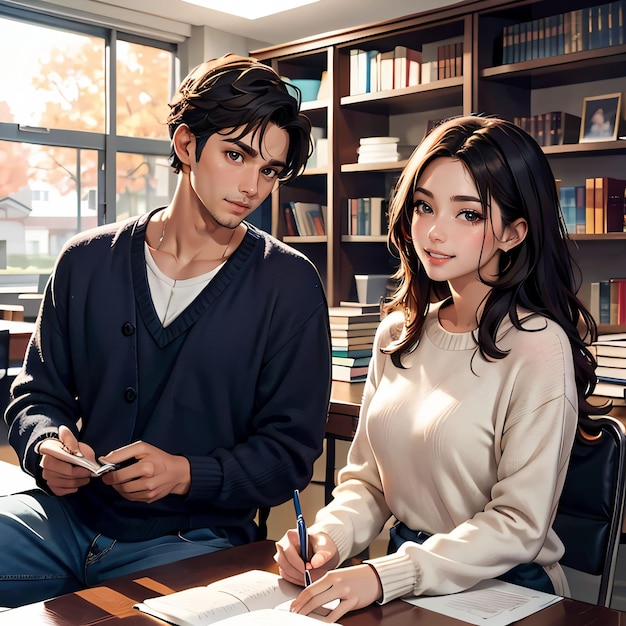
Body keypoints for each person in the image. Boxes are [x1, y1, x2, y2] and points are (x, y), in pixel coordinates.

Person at [1, 53, 331, 607]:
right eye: (236, 155)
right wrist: (43, 448)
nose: (253, 185)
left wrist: (184, 474)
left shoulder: (290, 284)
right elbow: (36, 395)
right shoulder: (84, 260)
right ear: (185, 145)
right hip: (61, 521)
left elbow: (289, 456)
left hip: (193, 539)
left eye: (269, 170)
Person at [275, 114, 606, 622]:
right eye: (424, 206)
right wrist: (326, 539)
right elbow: (368, 483)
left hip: (505, 593)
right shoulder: (397, 335)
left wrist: (388, 574)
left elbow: (519, 524)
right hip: (406, 582)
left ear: (515, 232)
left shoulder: (540, 348)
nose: (433, 231)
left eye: (468, 214)